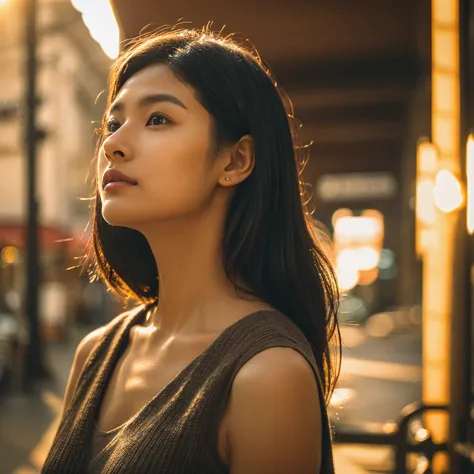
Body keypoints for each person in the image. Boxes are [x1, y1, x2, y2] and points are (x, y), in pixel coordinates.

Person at [42, 27, 341, 474]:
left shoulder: (267, 375)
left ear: (235, 161)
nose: (112, 144)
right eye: (113, 122)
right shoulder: (96, 352)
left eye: (158, 119)